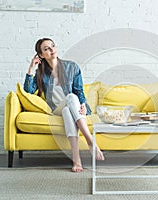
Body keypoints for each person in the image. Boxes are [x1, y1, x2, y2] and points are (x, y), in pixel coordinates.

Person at [24, 38, 104, 172]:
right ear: (41, 55)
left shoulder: (72, 67)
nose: (51, 50)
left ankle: (76, 160)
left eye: (52, 46)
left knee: (69, 109)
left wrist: (83, 103)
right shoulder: (40, 73)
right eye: (46, 49)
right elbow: (28, 90)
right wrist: (31, 68)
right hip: (57, 109)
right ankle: (91, 141)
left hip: (72, 107)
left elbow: (79, 90)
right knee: (70, 98)